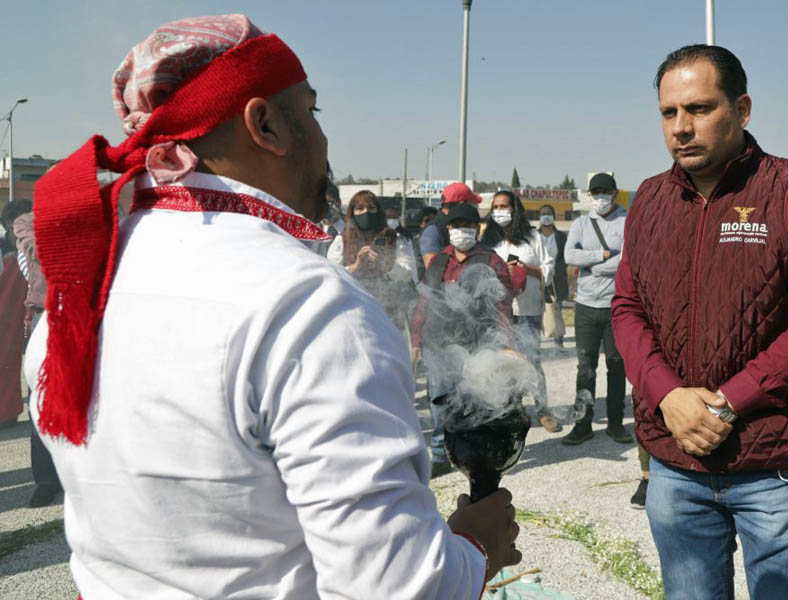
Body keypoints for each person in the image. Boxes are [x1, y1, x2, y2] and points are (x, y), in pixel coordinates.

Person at [25, 15, 520, 599]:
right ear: (264, 123)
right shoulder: (311, 307)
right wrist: (473, 544)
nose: (324, 139)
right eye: (311, 113)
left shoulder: (88, 280)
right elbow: (393, 587)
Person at [612, 44, 788, 599]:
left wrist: (725, 401)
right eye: (669, 113)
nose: (681, 128)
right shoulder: (648, 199)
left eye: (699, 108)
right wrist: (668, 396)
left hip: (776, 469)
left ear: (742, 110)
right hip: (675, 465)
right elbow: (628, 308)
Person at [411, 201, 524, 477]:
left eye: (468, 226)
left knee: (475, 400)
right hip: (439, 343)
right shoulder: (439, 260)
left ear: (478, 228)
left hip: (477, 345)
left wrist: (508, 344)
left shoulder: (491, 261)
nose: (462, 231)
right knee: (440, 401)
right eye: (456, 226)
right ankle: (440, 454)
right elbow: (425, 301)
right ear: (448, 229)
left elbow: (502, 306)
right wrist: (416, 340)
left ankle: (472, 453)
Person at [561, 173, 631, 445]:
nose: (600, 197)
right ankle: (583, 423)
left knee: (616, 365)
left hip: (616, 305)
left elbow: (627, 260)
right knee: (585, 367)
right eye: (595, 192)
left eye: (605, 192)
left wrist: (591, 266)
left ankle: (616, 423)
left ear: (614, 193)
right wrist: (601, 257)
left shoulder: (626, 222)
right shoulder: (581, 223)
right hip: (586, 306)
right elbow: (569, 256)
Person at [482, 191, 558, 433]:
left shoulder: (533, 237)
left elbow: (549, 267)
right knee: (504, 361)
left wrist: (527, 268)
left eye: (504, 206)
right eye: (495, 206)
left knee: (531, 358)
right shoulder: (488, 240)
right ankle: (512, 409)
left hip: (527, 307)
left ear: (515, 209)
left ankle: (543, 409)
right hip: (499, 312)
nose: (499, 211)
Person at [9, 208, 64, 508]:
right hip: (47, 314)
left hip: (90, 313)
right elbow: (42, 249)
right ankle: (46, 480)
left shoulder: (99, 214)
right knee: (40, 403)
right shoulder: (27, 221)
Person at [327, 190, 417, 329]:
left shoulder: (394, 239)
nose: (366, 212)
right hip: (352, 313)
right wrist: (356, 265)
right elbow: (331, 277)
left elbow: (407, 273)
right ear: (352, 212)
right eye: (360, 208)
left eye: (371, 208)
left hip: (388, 315)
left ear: (378, 211)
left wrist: (387, 264)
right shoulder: (342, 241)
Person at [0, 202, 28, 429]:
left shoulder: (33, 243)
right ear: (10, 223)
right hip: (6, 314)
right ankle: (7, 414)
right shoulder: (2, 248)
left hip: (30, 311)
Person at [419, 182, 482, 270]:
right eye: (472, 204)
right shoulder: (433, 231)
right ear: (462, 204)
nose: (475, 208)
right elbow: (432, 270)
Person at [538, 204, 568, 348]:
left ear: (554, 216)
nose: (546, 216)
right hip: (538, 279)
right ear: (539, 217)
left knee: (557, 309)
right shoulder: (534, 236)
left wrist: (556, 272)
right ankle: (536, 340)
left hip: (557, 279)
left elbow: (565, 258)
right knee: (537, 310)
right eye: (543, 213)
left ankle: (558, 340)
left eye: (549, 213)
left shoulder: (561, 237)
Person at [414, 206, 439, 281]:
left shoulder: (442, 237)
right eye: (427, 221)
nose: (431, 223)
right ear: (420, 223)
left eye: (434, 220)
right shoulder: (416, 241)